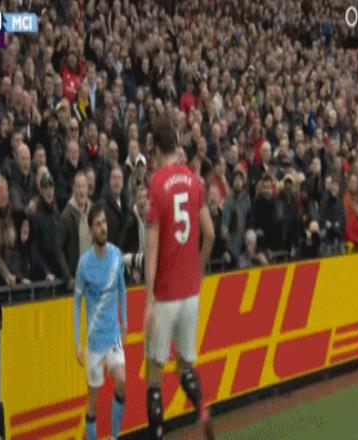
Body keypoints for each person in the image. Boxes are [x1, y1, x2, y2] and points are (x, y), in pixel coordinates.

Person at [144, 119, 215, 439]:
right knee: (186, 366)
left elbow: (152, 248)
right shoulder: (195, 182)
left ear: (157, 150)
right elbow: (210, 234)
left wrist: (148, 299)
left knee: (155, 374)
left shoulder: (157, 184)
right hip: (190, 293)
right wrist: (197, 269)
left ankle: (157, 435)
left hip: (165, 294)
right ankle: (203, 410)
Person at [73, 202, 127, 440]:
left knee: (122, 382)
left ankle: (114, 437)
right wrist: (78, 343)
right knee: (92, 403)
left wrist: (124, 324)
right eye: (98, 224)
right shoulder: (84, 265)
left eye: (104, 222)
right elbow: (77, 304)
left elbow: (122, 290)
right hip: (94, 343)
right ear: (91, 229)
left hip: (113, 335)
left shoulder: (116, 255)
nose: (103, 227)